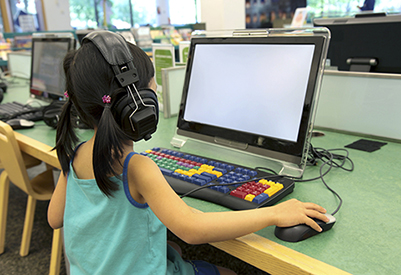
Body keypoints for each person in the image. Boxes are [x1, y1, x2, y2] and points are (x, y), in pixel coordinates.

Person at [48, 30, 328, 275]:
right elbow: (192, 229)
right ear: (140, 106)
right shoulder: (137, 167)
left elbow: (54, 218)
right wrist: (274, 214)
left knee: (170, 247)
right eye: (152, 83)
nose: (156, 87)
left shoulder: (76, 155)